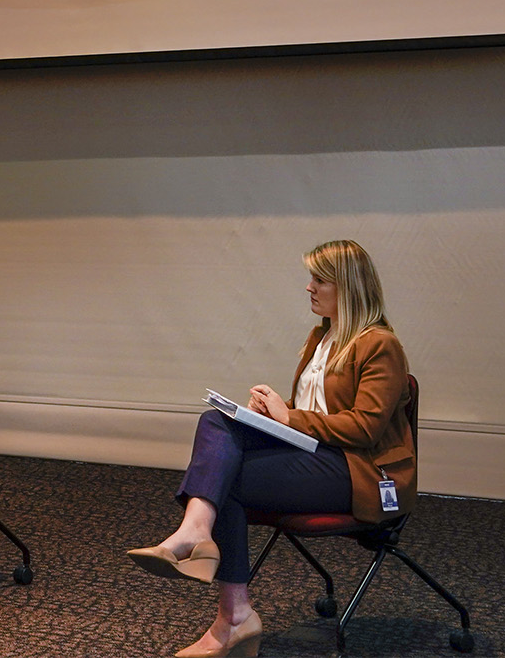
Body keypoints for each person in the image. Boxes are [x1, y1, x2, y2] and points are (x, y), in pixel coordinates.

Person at [126, 239, 415, 658]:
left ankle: (230, 610)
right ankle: (203, 548)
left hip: (359, 471)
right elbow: (319, 412)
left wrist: (288, 417)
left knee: (230, 480)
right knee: (216, 421)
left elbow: (365, 428)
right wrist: (270, 415)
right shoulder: (323, 337)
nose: (309, 287)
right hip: (320, 456)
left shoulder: (379, 345)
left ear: (347, 286)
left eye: (319, 280)